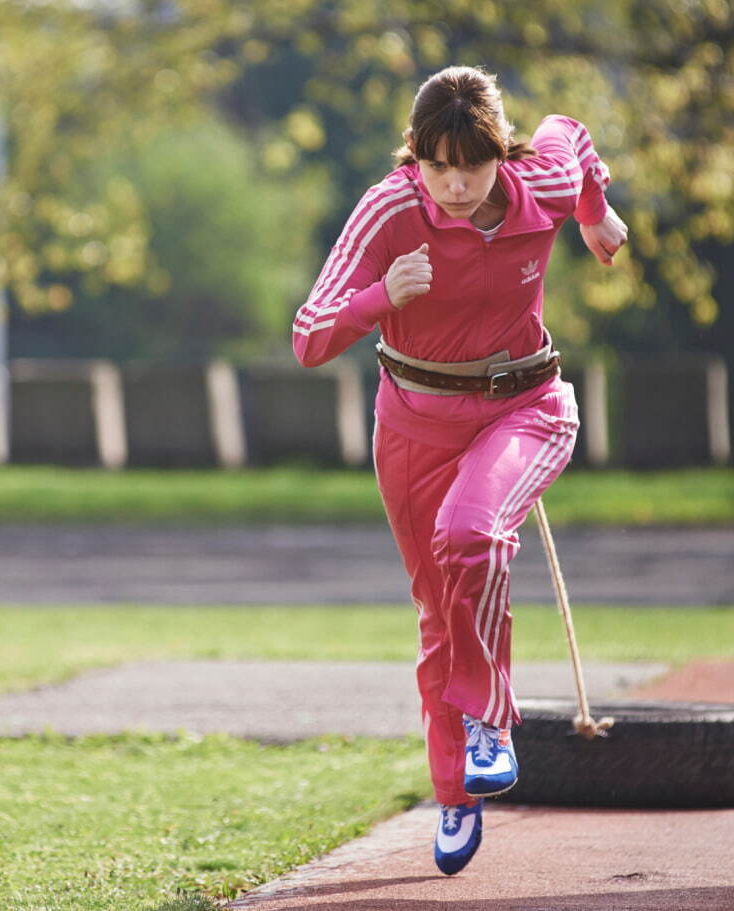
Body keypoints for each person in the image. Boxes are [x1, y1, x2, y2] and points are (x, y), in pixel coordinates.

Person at [292, 66, 627, 875]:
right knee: (441, 613)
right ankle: (455, 793)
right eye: (434, 165)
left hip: (527, 408)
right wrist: (379, 295)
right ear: (414, 156)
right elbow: (307, 337)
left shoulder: (534, 178)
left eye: (468, 166)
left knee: (471, 534)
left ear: (497, 153)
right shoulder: (388, 206)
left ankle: (488, 720)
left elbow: (570, 137)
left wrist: (595, 214)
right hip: (412, 424)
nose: (451, 184)